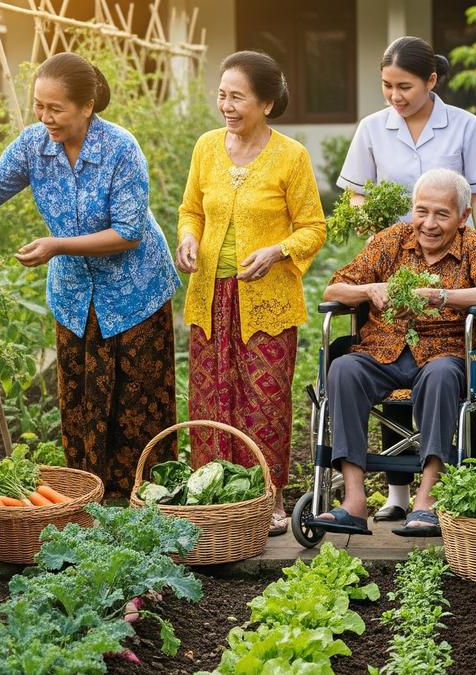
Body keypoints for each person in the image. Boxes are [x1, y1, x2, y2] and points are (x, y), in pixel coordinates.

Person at [0, 53, 180, 496]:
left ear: (86, 106)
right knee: (81, 403)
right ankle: (90, 500)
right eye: (39, 105)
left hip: (135, 291)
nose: (45, 117)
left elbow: (129, 233)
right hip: (76, 296)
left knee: (137, 404)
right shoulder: (34, 144)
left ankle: (147, 502)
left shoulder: (119, 148)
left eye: (55, 108)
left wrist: (56, 246)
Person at [338, 36, 476, 521]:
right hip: (395, 248)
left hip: (457, 252)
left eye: (405, 86)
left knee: (435, 357)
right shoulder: (373, 128)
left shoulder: (464, 126)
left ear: (431, 80)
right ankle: (393, 496)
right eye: (387, 86)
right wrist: (380, 240)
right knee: (387, 340)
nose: (395, 95)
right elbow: (356, 196)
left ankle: (430, 493)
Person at [175, 51, 326, 536]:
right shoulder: (206, 147)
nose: (227, 106)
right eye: (222, 95)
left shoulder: (291, 156)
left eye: (237, 97)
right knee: (210, 399)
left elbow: (313, 228)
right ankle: (214, 496)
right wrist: (188, 237)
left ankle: (269, 498)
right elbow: (190, 209)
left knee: (264, 401)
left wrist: (278, 251)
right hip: (210, 297)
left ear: (265, 102)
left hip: (267, 299)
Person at [316, 168, 476, 537]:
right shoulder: (391, 241)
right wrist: (369, 289)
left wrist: (441, 296)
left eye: (441, 214)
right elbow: (333, 290)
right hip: (381, 351)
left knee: (440, 377)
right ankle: (354, 502)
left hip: (444, 353)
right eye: (422, 211)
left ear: (463, 217)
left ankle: (427, 499)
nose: (429, 224)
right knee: (342, 370)